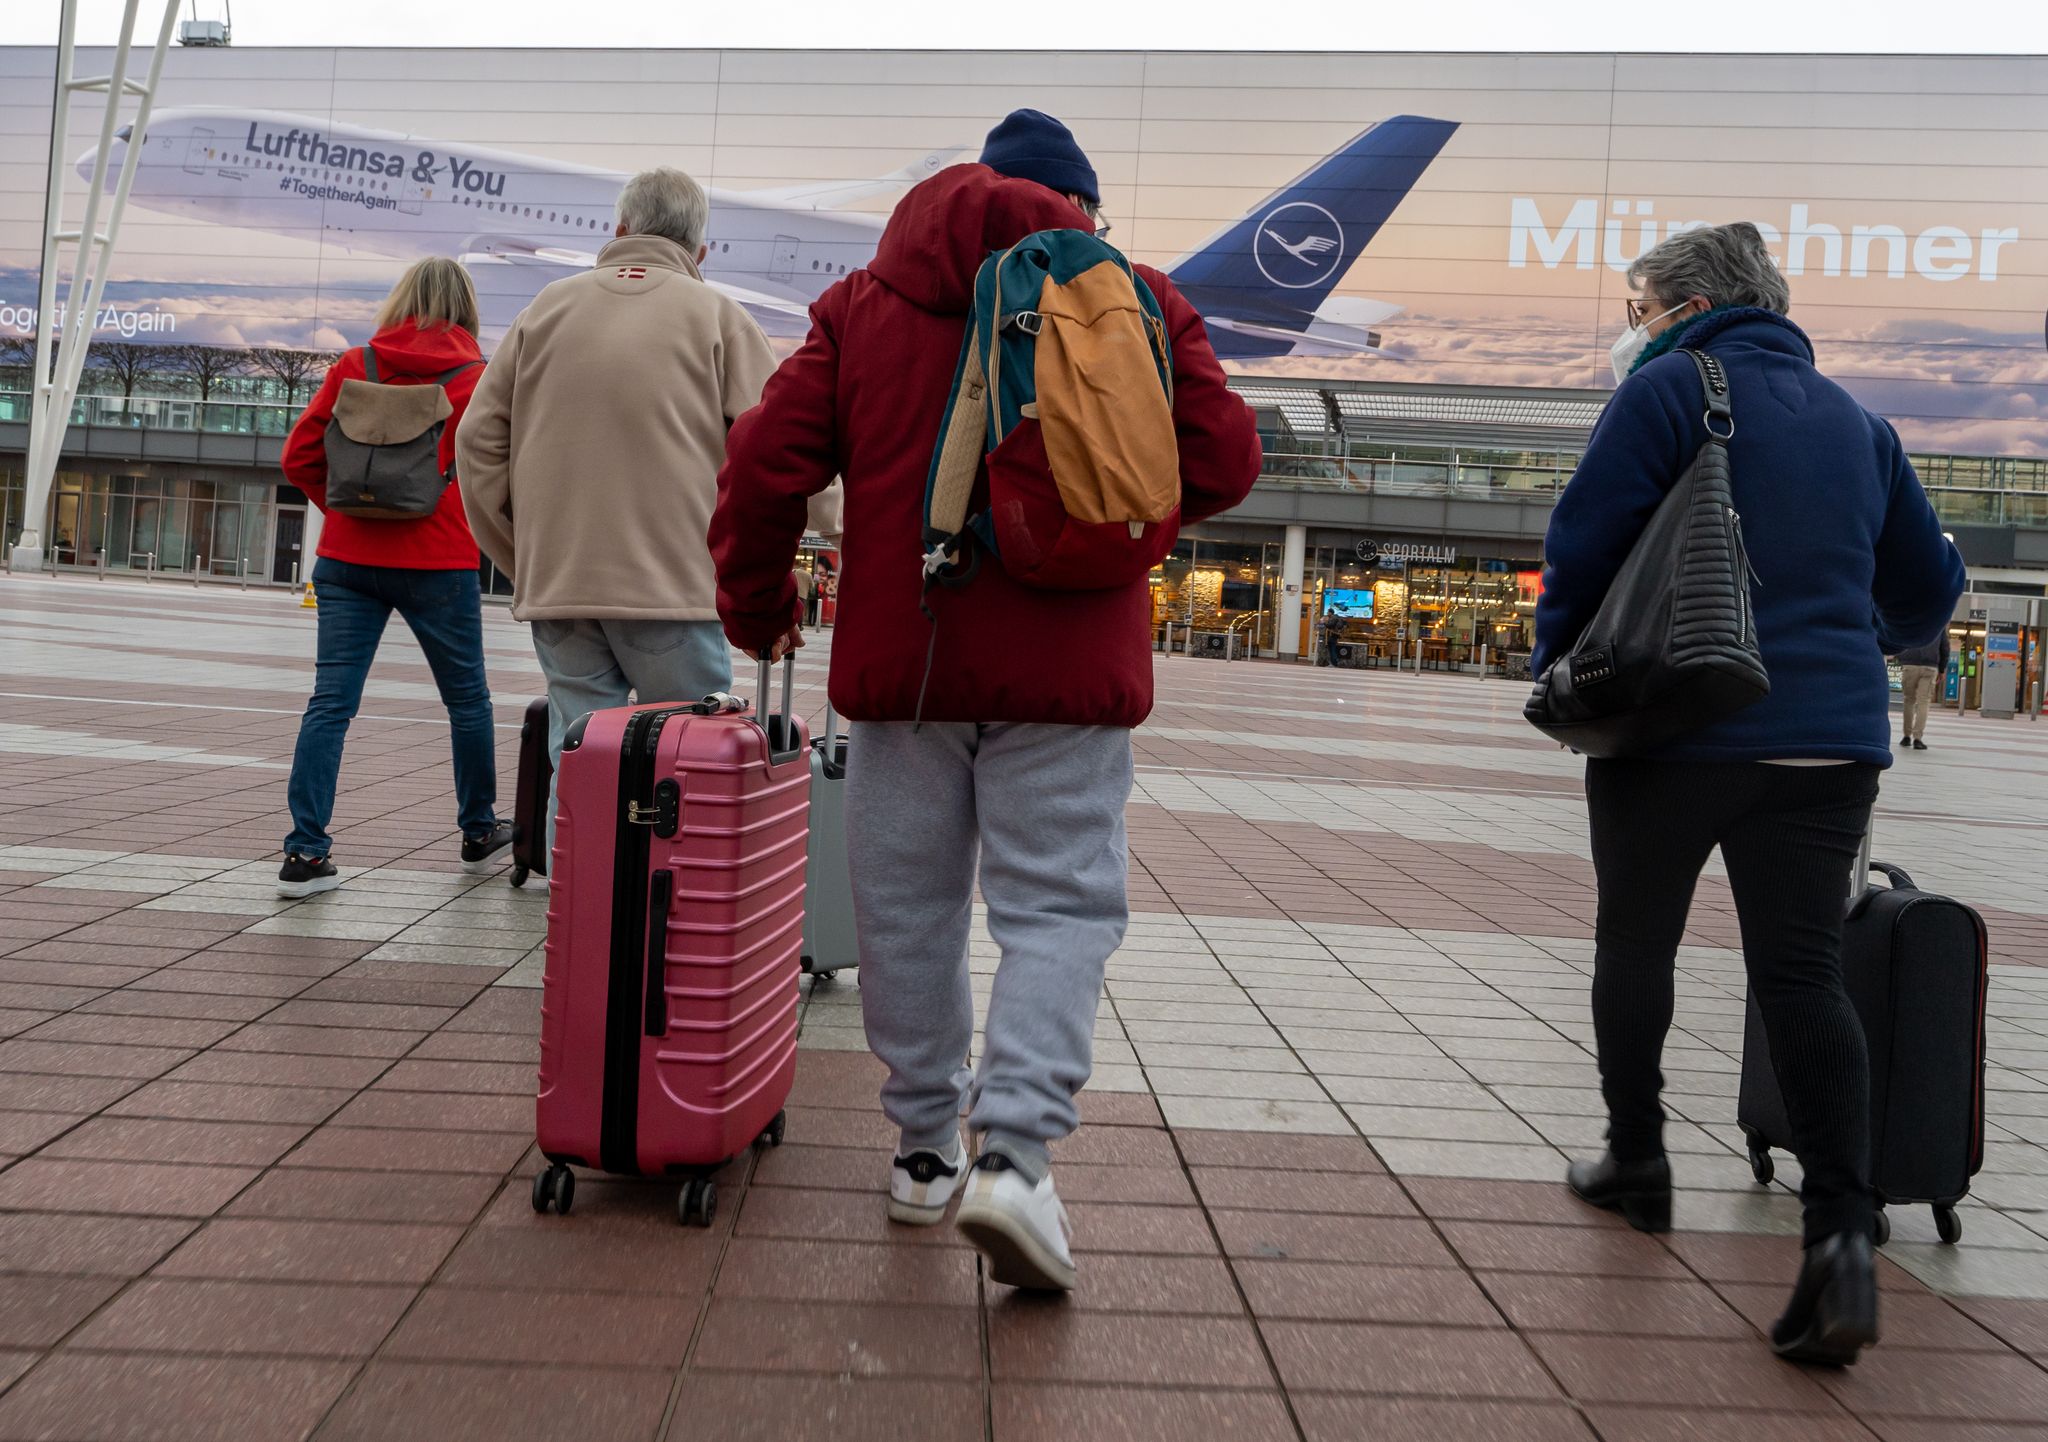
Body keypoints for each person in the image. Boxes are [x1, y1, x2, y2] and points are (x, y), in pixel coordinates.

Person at [710, 109, 1261, 1291]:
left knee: (905, 909)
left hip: (904, 664)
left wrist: (756, 609)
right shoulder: (1137, 295)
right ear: (1083, 209)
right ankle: (1015, 1152)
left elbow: (763, 466)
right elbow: (1222, 460)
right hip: (1070, 669)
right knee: (1058, 908)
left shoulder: (865, 301)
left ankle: (921, 1153)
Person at [1533, 222, 1966, 1366]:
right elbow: (1930, 583)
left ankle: (1636, 1155)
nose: (1633, 330)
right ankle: (1838, 1240)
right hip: (1825, 746)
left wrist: (1556, 667)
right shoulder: (1855, 422)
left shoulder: (1669, 392)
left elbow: (1581, 539)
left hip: (1673, 728)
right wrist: (1850, 641)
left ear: (1680, 304)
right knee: (1802, 975)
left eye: (1636, 308)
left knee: (1635, 944)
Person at [456, 167, 838, 851]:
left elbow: (477, 442)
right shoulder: (719, 318)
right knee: (686, 763)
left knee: (579, 760)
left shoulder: (543, 310)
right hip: (676, 592)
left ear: (621, 229)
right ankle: (671, 930)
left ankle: (580, 930)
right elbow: (777, 450)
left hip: (563, 588)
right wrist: (845, 528)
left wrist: (522, 557)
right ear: (700, 253)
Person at [276, 257, 510, 899]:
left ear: (401, 299)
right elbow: (500, 474)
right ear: (466, 307)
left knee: (330, 704)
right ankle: (477, 830)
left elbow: (297, 456)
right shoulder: (478, 379)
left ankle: (305, 854)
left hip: (348, 564)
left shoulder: (356, 365)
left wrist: (350, 513)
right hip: (439, 562)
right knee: (467, 703)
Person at [1895, 630, 1950, 750]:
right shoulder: (1938, 622)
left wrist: (1902, 658)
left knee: (1908, 700)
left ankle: (1906, 736)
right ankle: (1917, 739)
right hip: (1929, 667)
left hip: (1910, 665)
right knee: (1923, 702)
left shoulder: (1909, 618)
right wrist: (1942, 669)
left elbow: (1898, 638)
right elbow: (1945, 648)